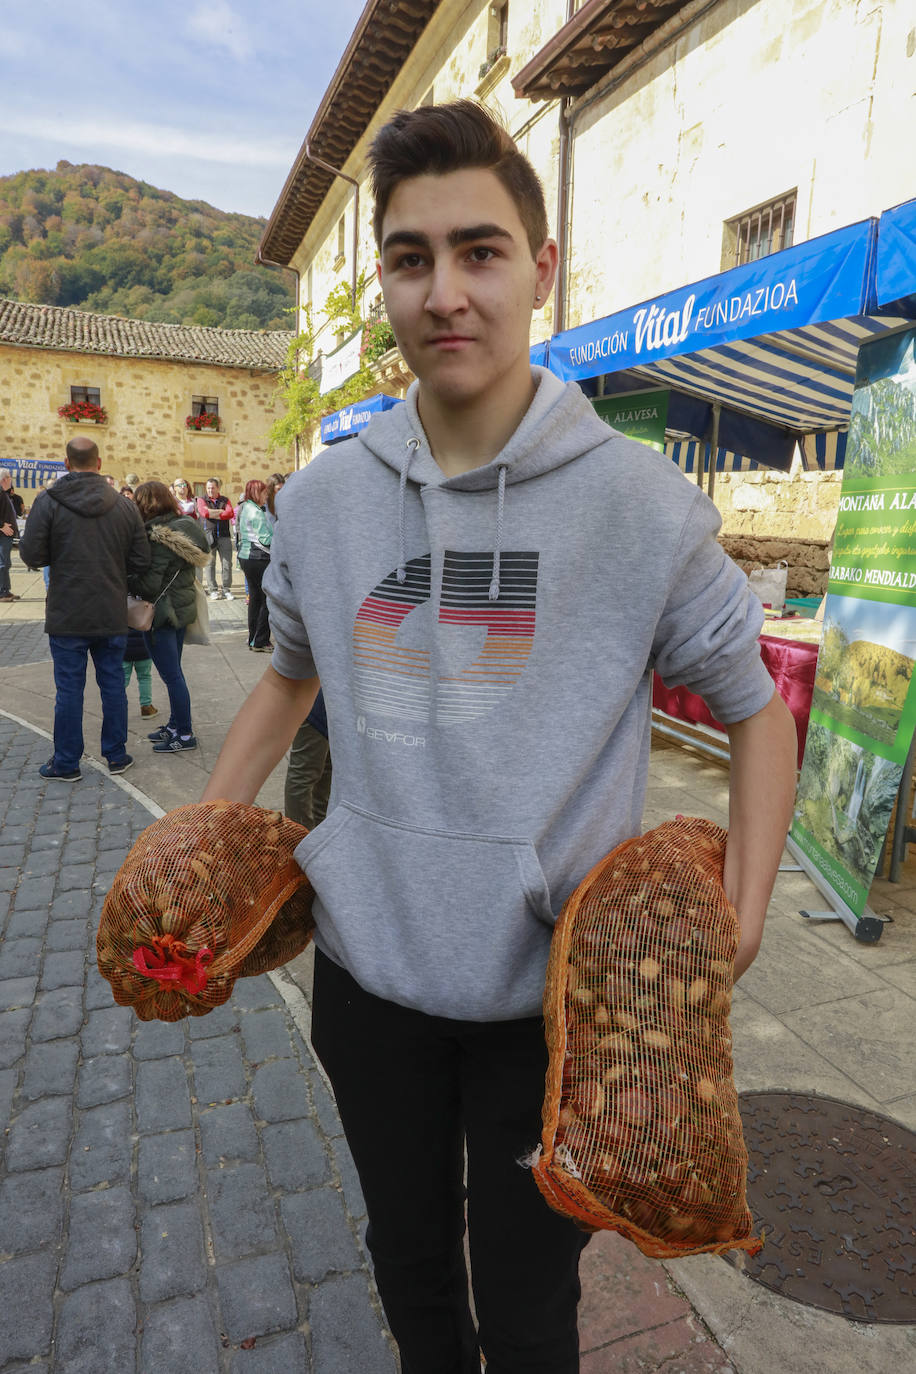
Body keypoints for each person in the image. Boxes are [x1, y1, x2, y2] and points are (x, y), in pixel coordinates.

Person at [200, 101, 797, 1371]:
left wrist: (740, 919)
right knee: (405, 1263)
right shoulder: (318, 503)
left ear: (541, 267)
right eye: (411, 260)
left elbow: (754, 707)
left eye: (479, 251)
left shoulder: (641, 509)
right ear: (389, 287)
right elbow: (286, 679)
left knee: (530, 1308)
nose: (445, 292)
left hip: (551, 1005)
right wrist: (206, 843)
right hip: (367, 976)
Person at [19, 435, 150, 780]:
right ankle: (117, 755)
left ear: (66, 465)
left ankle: (65, 762)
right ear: (99, 463)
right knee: (113, 686)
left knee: (69, 690)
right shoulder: (124, 505)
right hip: (109, 609)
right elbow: (140, 559)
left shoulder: (48, 501)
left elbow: (32, 555)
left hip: (67, 611)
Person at [131, 481, 209, 753]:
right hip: (179, 611)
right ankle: (175, 724)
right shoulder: (185, 526)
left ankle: (184, 733)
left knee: (172, 675)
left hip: (163, 614)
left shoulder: (159, 536)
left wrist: (127, 580)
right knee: (174, 672)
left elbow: (150, 585)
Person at [284, 688, 331, 829]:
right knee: (303, 775)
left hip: (334, 706)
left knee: (327, 772)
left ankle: (321, 833)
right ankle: (298, 838)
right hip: (315, 703)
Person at [236, 479, 273, 651]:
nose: (266, 496)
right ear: (257, 493)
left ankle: (252, 638)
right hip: (258, 559)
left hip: (246, 557)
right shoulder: (256, 512)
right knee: (266, 600)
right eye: (264, 493)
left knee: (255, 599)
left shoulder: (246, 508)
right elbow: (265, 539)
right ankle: (261, 640)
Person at [196, 476, 235, 600]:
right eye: (208, 488)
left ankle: (226, 589)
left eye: (212, 488)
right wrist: (220, 512)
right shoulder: (201, 499)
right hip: (209, 536)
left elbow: (230, 513)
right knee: (210, 564)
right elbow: (204, 513)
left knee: (227, 564)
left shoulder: (225, 499)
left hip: (224, 536)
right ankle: (213, 589)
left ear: (218, 488)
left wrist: (213, 512)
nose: (210, 490)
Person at [122, 626, 158, 718]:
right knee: (144, 678)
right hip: (144, 648)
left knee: (122, 680)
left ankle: (116, 707)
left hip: (124, 649)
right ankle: (146, 707)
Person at [0, 471, 18, 602]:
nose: (11, 480)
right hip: (2, 534)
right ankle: (2, 592)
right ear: (4, 479)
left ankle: (6, 590)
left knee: (6, 563)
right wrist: (1, 525)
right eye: (9, 477)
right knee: (2, 563)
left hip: (6, 535)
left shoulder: (4, 493)